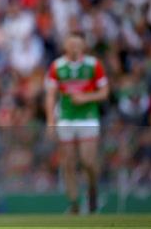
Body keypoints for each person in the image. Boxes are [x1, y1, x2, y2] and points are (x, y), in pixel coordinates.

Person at [45, 31, 109, 214]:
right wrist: (51, 120)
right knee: (68, 163)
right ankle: (74, 203)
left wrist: (86, 97)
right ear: (65, 46)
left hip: (88, 117)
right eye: (71, 44)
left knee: (88, 161)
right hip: (66, 118)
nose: (74, 47)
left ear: (83, 46)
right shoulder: (57, 66)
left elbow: (104, 92)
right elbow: (50, 95)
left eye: (77, 44)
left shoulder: (93, 65)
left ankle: (92, 191)